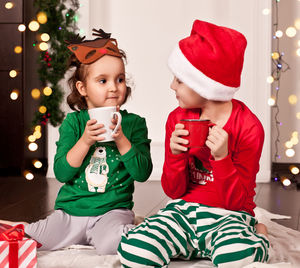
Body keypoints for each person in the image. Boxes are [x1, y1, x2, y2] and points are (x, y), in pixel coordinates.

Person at [117, 20, 269, 267]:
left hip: (229, 215)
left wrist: (222, 159)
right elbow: (173, 191)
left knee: (238, 258)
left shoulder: (249, 126)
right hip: (181, 212)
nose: (172, 86)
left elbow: (237, 201)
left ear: (204, 84)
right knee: (134, 250)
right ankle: (184, 244)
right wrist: (176, 155)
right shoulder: (177, 118)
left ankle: (260, 235)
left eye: (179, 80)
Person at [0, 29, 152, 255]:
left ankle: (134, 228)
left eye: (120, 79)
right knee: (34, 239)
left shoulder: (134, 124)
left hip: (112, 212)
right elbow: (62, 173)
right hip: (71, 212)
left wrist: (120, 138)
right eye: (103, 80)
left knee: (113, 245)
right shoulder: (74, 123)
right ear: (83, 89)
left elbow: (142, 172)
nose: (114, 87)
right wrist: (84, 141)